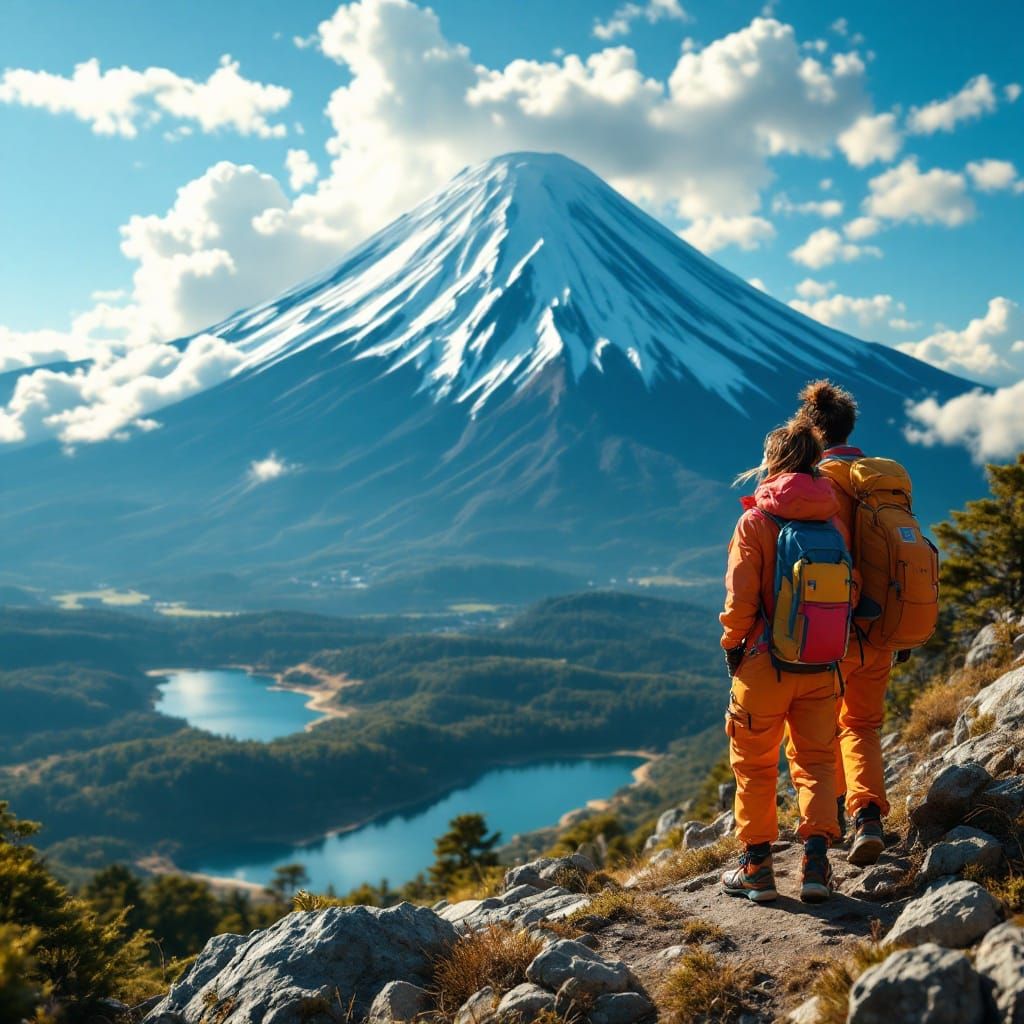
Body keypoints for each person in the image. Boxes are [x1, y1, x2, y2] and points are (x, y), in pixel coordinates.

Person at [719, 420, 844, 904]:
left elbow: (739, 601)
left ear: (771, 461)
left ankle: (757, 868)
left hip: (763, 664)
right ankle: (815, 864)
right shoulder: (831, 521)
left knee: (753, 766)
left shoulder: (756, 521)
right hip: (821, 664)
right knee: (815, 762)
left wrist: (733, 647)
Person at [794, 380, 901, 866]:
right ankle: (869, 818)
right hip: (884, 625)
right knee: (862, 725)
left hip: (835, 629)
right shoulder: (879, 478)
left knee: (820, 734)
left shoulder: (820, 481)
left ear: (813, 430)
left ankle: (827, 825)